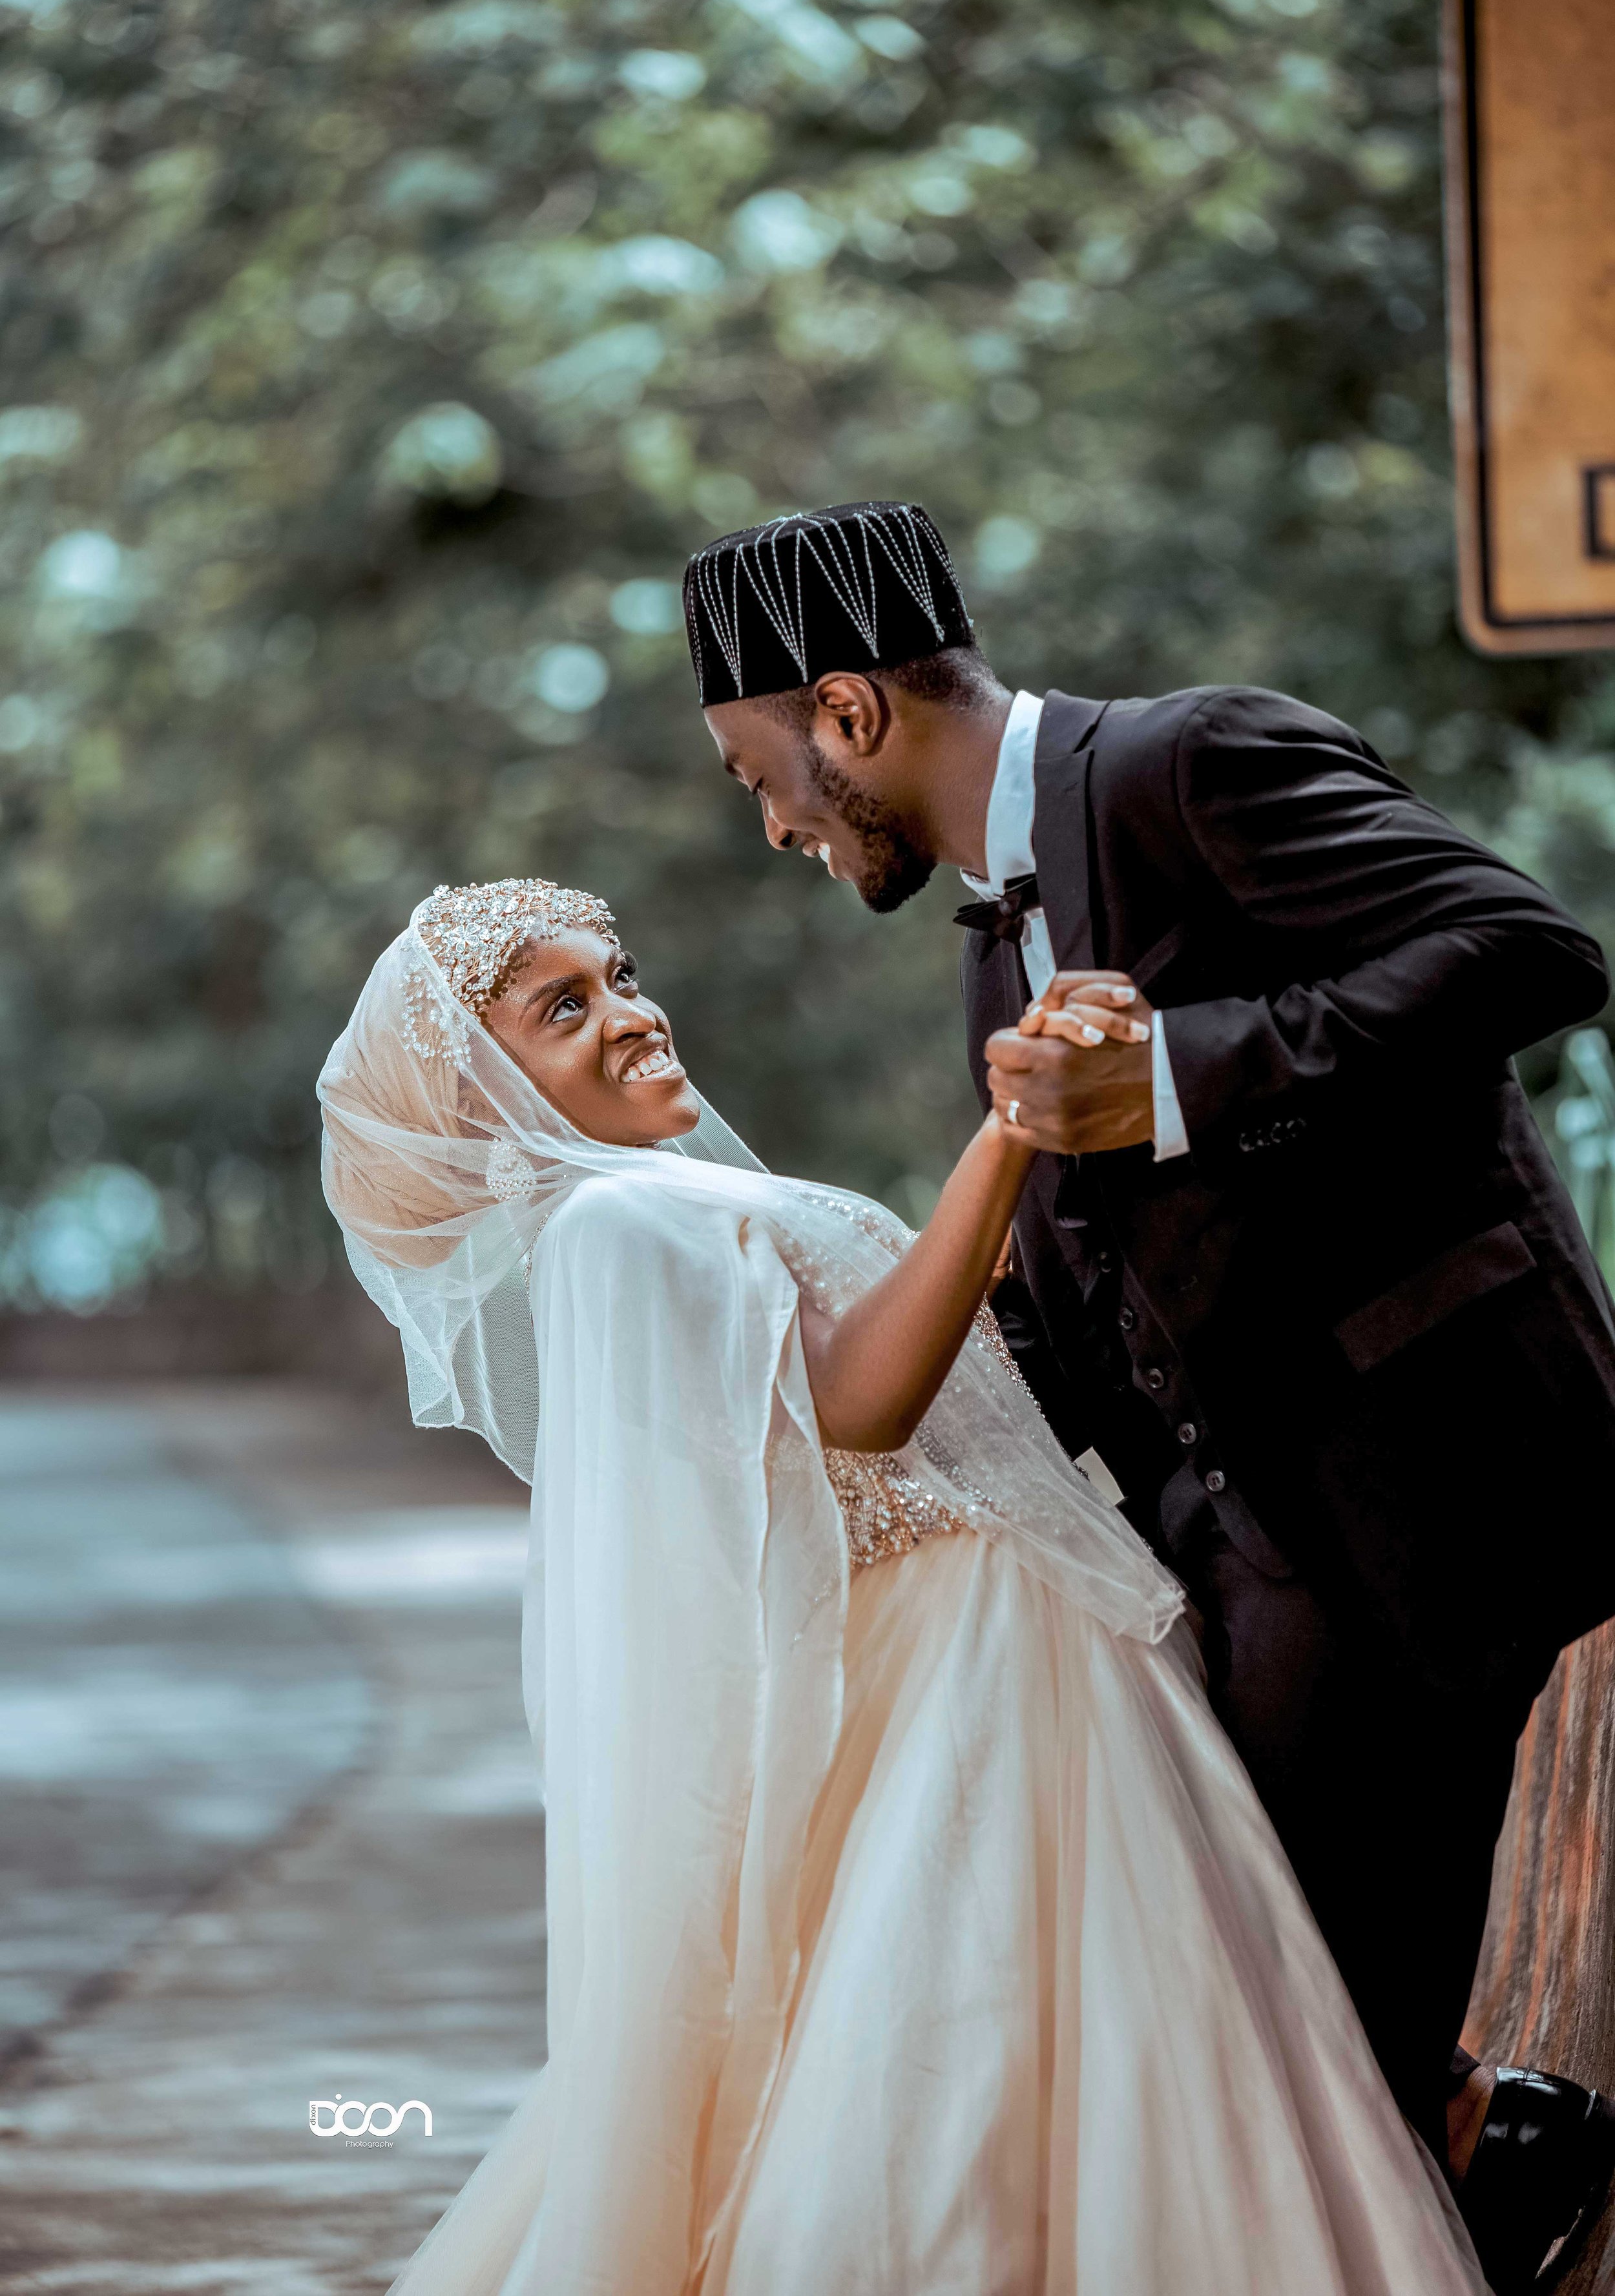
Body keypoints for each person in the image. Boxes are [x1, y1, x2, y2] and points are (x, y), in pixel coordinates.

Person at [320, 878, 1488, 2296]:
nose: (629, 1015)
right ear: (483, 1085)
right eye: (563, 1010)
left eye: (619, 974)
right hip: (964, 1671)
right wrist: (1010, 1131)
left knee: (1084, 2054)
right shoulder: (613, 1230)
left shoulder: (668, 1202)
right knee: (997, 2065)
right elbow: (866, 1399)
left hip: (1003, 1641)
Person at [693, 498, 1615, 2295]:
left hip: (1434, 1490)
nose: (776, 824)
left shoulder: (1190, 759)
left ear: (848, 712)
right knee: (1217, 2025)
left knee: (1288, 2043)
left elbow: (1526, 949)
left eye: (758, 773)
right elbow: (1078, 1275)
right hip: (1247, 1543)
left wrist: (1186, 1076)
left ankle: (1498, 2150)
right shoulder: (989, 940)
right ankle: (1486, 2147)